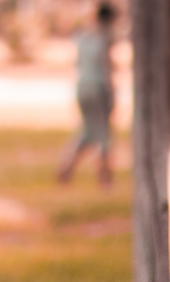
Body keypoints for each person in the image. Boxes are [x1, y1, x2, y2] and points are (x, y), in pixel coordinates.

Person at [57, 2, 116, 186]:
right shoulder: (104, 39)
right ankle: (105, 179)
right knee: (103, 133)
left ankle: (65, 168)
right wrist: (111, 95)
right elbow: (105, 69)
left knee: (88, 131)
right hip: (98, 89)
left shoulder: (83, 36)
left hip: (82, 87)